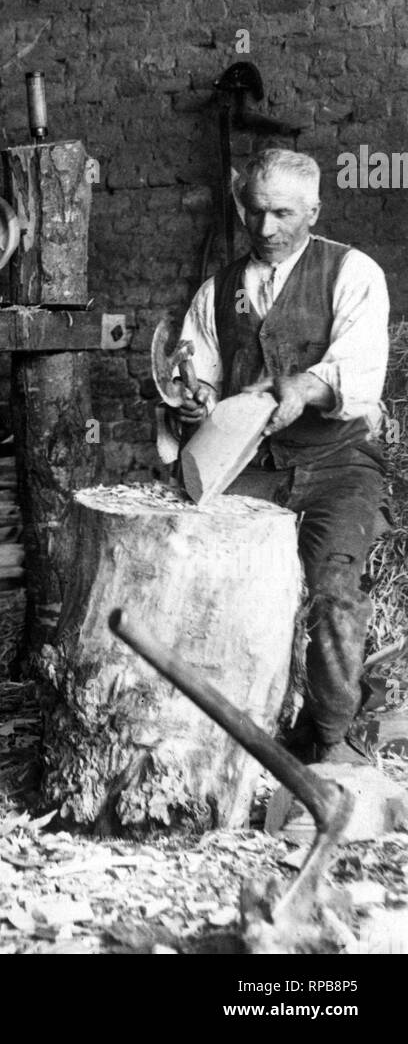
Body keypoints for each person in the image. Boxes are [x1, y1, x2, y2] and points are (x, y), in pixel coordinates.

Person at [176, 148, 390, 763]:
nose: (266, 230)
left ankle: (331, 736)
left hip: (336, 462)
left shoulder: (352, 273)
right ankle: (221, 734)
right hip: (253, 466)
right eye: (255, 213)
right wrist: (195, 404)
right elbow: (202, 379)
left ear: (313, 211)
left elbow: (360, 373)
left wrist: (301, 386)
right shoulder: (218, 292)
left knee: (331, 586)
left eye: (282, 215)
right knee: (213, 579)